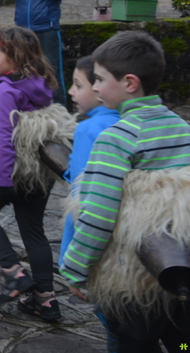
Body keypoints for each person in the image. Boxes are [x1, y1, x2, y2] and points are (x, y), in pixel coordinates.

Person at [61, 31, 190, 351]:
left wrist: (76, 269)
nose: (95, 87)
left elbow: (99, 213)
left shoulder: (116, 138)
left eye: (99, 79)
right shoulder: (182, 127)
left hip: (134, 281)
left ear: (130, 83)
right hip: (181, 275)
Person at [0, 25, 72, 322]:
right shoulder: (41, 82)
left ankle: (13, 272)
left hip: (9, 171)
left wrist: (2, 182)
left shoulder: (4, 91)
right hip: (38, 170)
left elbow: (4, 140)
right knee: (33, 230)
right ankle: (46, 300)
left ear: (16, 58)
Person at [60, 55, 119, 350]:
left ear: (99, 88)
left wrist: (70, 262)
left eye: (78, 85)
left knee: (119, 329)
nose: (71, 92)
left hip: (106, 251)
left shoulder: (89, 130)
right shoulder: (139, 122)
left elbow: (82, 200)